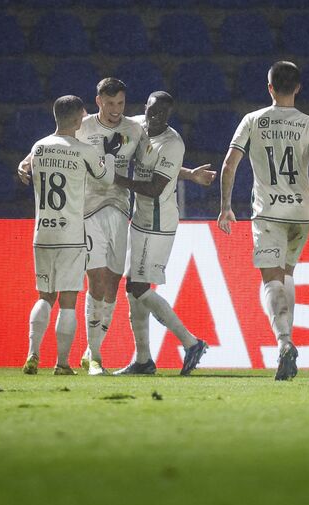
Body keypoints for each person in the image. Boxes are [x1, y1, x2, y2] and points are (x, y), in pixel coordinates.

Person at [18, 78, 214, 375]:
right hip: (88, 209)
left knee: (115, 284)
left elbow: (158, 170)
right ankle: (98, 357)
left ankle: (96, 352)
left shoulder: (134, 129)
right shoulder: (85, 125)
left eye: (120, 104)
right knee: (99, 280)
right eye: (109, 104)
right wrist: (26, 160)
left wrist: (188, 175)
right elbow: (52, 142)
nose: (115, 110)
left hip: (123, 210)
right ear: (98, 102)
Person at [217, 61, 309, 381]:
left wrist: (225, 206)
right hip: (302, 212)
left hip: (269, 212)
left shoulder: (253, 121)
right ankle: (289, 341)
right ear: (298, 87)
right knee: (286, 275)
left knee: (271, 279)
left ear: (269, 87)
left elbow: (229, 164)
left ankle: (285, 344)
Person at [112, 91, 216, 376]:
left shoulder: (172, 143)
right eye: (152, 110)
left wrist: (119, 179)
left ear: (169, 115)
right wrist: (190, 174)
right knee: (133, 291)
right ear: (145, 107)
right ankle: (144, 360)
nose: (156, 116)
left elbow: (157, 185)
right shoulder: (138, 126)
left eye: (162, 113)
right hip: (140, 218)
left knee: (139, 288)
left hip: (158, 223)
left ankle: (191, 342)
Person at [22, 95, 116, 375]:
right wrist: (108, 156)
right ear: (77, 119)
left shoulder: (38, 147)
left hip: (42, 233)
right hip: (71, 235)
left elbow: (26, 167)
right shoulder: (83, 149)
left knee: (44, 297)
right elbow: (106, 178)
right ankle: (62, 363)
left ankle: (31, 354)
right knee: (68, 301)